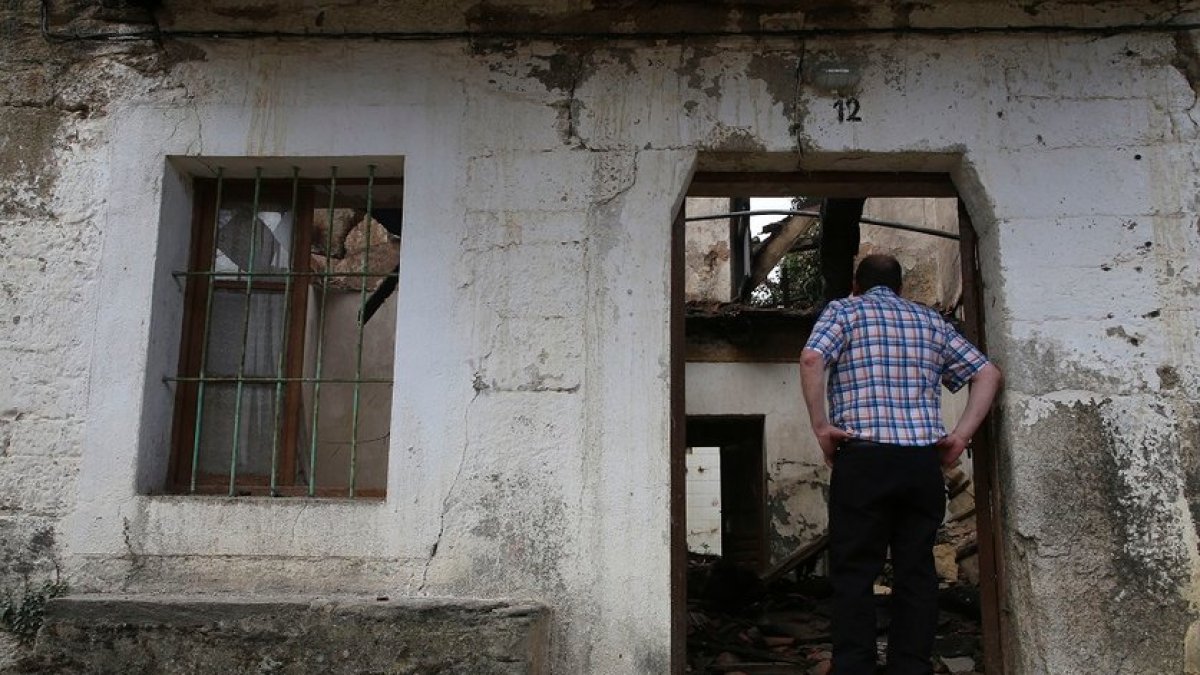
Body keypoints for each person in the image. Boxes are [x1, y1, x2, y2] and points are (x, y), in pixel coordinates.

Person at [799, 254, 1002, 675]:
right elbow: (987, 374)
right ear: (900, 288)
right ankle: (910, 666)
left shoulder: (844, 310)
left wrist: (821, 428)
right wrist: (960, 436)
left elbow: (812, 359)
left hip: (863, 457)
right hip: (918, 463)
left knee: (855, 569)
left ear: (856, 284)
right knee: (916, 568)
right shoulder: (929, 321)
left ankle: (855, 666)